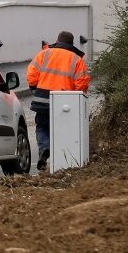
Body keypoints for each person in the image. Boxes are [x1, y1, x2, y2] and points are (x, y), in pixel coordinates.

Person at [25, 30, 90, 172]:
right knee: (64, 129)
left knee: (42, 126)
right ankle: (65, 163)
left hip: (42, 98)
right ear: (71, 43)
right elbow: (82, 83)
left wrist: (34, 87)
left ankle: (45, 148)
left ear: (58, 40)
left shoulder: (44, 53)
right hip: (65, 102)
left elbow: (31, 74)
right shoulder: (77, 59)